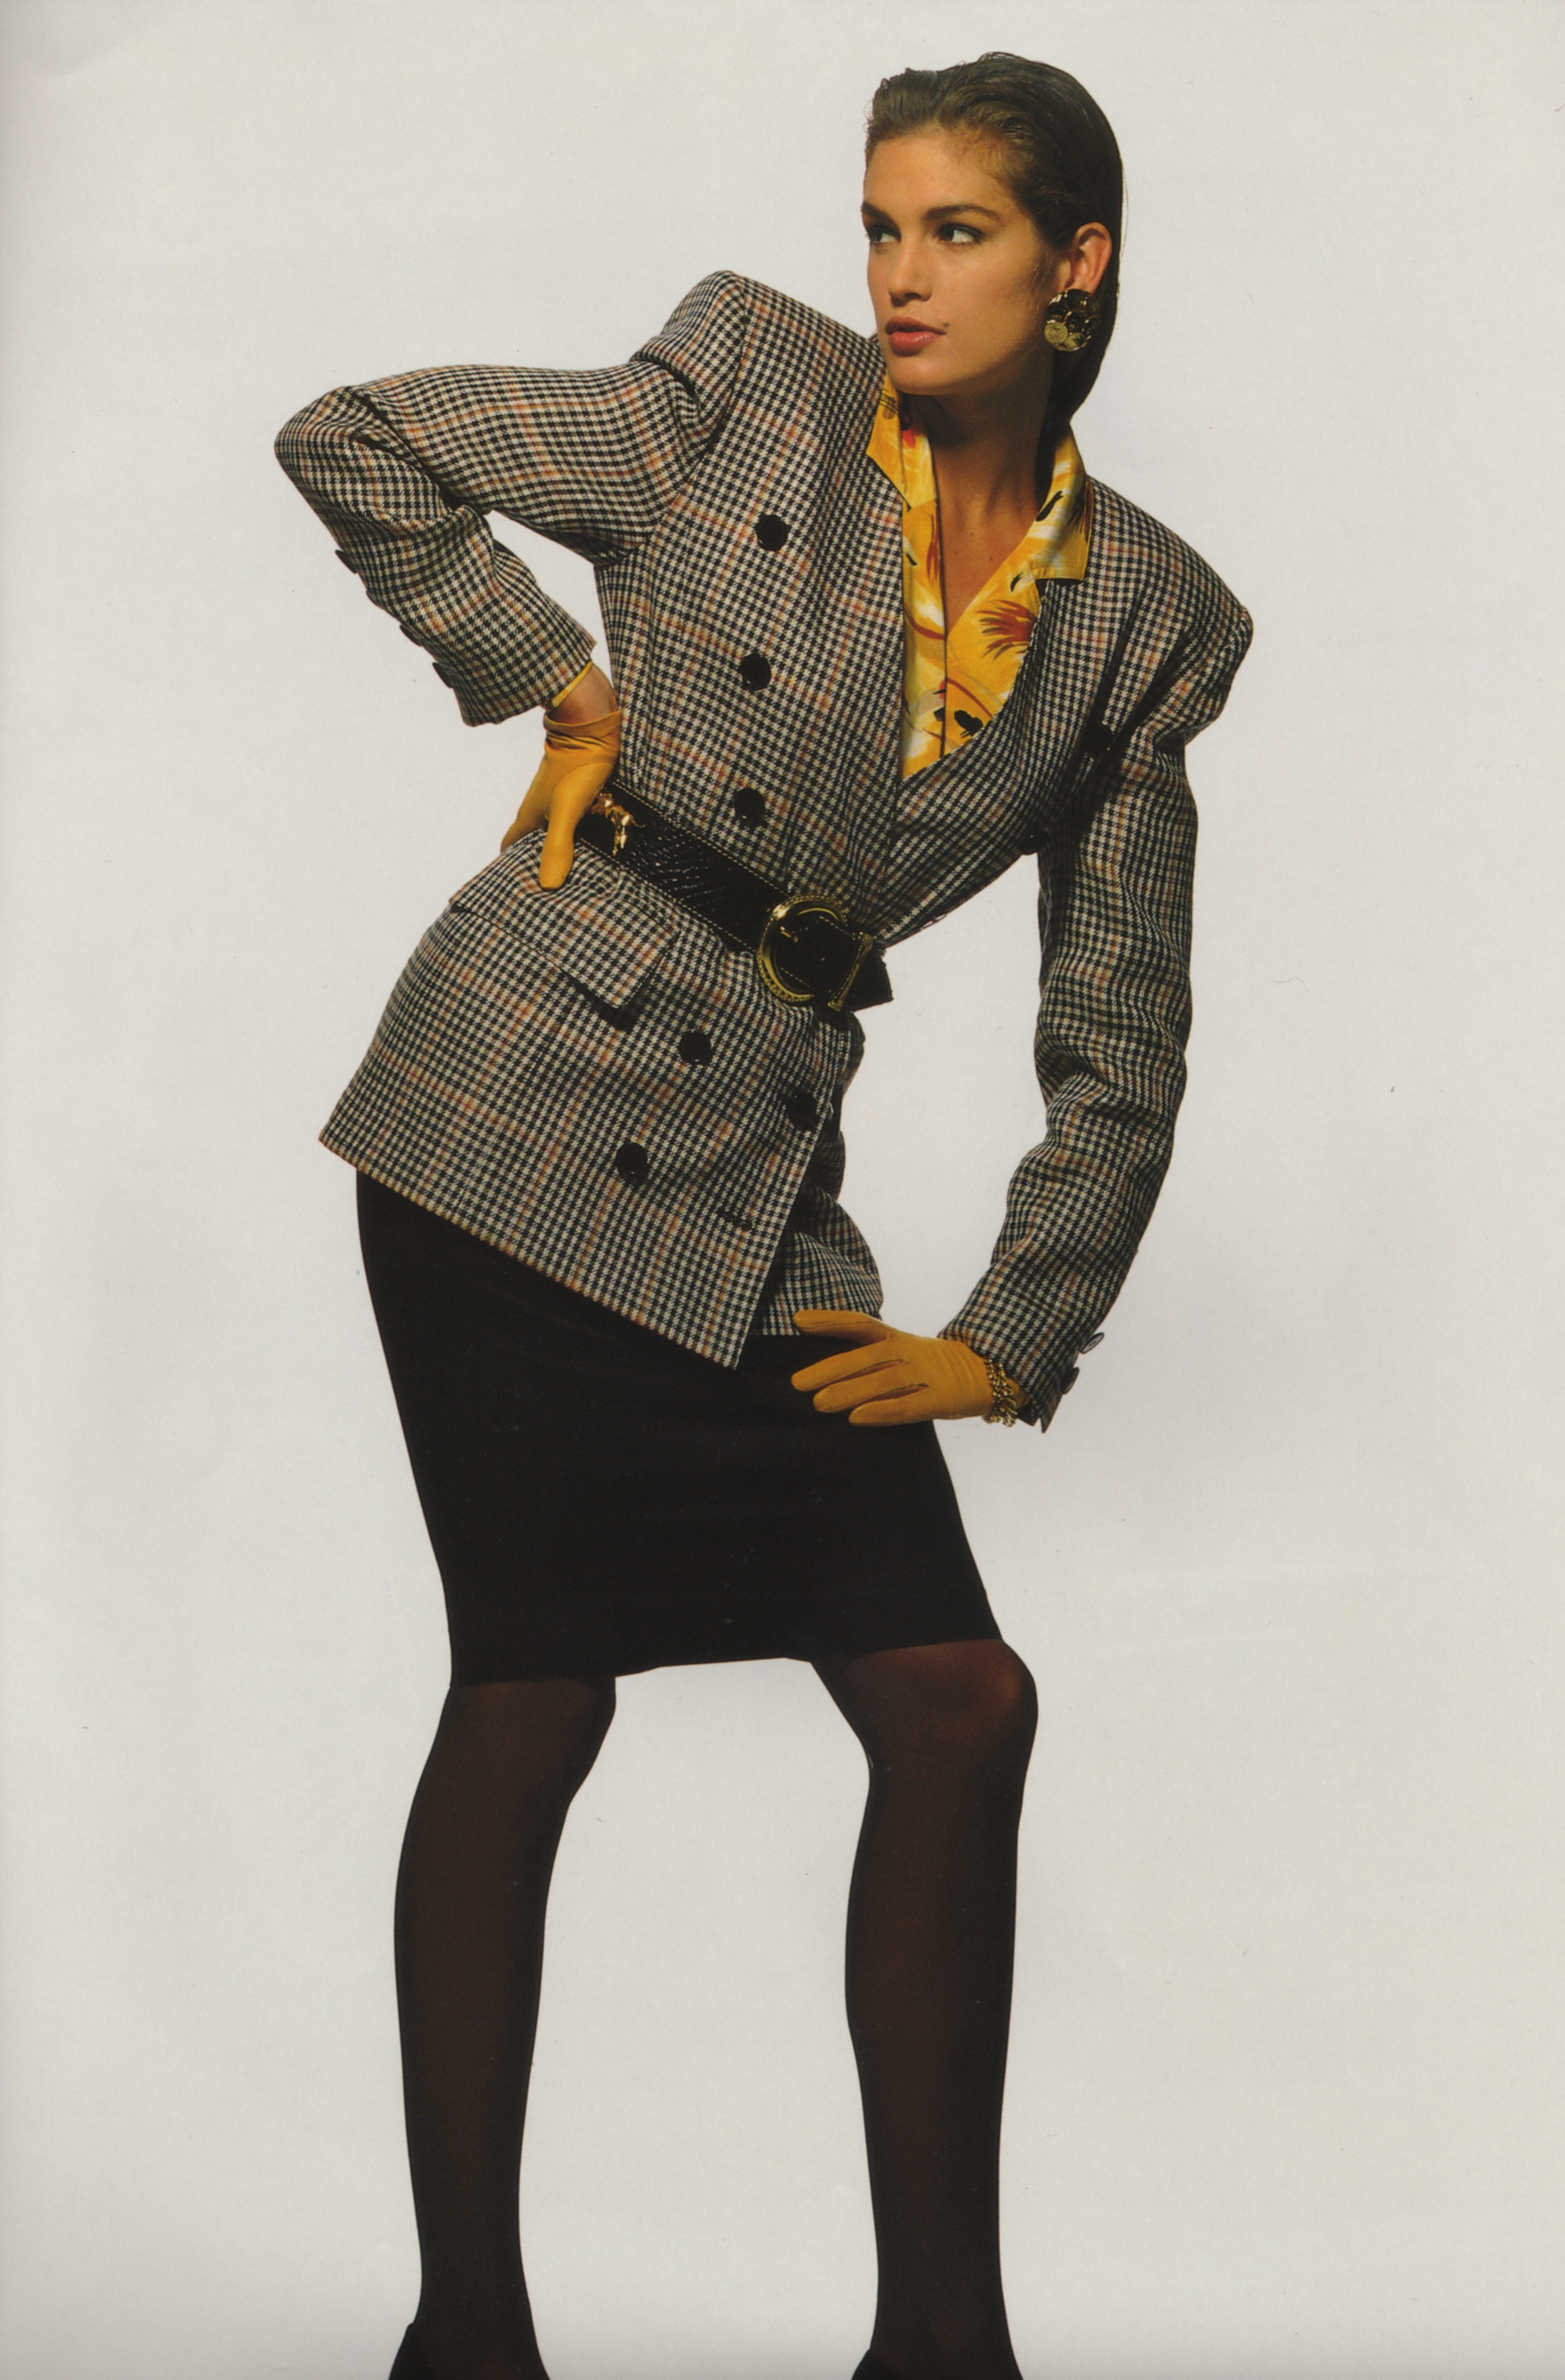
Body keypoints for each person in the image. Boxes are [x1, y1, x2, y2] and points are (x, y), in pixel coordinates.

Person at [275, 50, 1250, 2380]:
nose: (898, 274)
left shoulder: (1143, 623)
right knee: (533, 1695)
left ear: (1076, 263)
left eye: (956, 232)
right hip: (512, 1111)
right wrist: (551, 684)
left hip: (754, 1187)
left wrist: (1013, 1326)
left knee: (956, 1705)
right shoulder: (747, 390)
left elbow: (1118, 1018)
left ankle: (943, 2344)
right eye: (881, 223)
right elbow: (358, 435)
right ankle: (468, 2332)